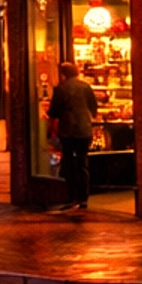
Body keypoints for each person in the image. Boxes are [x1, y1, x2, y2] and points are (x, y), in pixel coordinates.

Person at [47, 59, 99, 212]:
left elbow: (54, 112)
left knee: (68, 162)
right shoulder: (86, 87)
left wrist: (50, 129)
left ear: (63, 74)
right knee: (82, 163)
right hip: (84, 130)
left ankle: (71, 197)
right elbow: (93, 107)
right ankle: (83, 198)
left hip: (68, 130)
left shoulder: (61, 89)